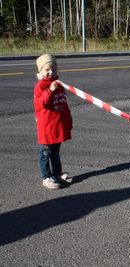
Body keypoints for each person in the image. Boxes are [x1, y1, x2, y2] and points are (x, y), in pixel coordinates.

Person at [34, 54, 73, 189]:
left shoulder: (59, 85)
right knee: (45, 154)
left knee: (55, 153)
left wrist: (68, 122)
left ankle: (57, 173)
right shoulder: (41, 86)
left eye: (54, 69)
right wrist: (50, 90)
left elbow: (63, 105)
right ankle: (46, 177)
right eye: (47, 69)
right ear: (41, 71)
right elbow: (40, 103)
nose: (51, 72)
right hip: (46, 128)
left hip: (58, 126)